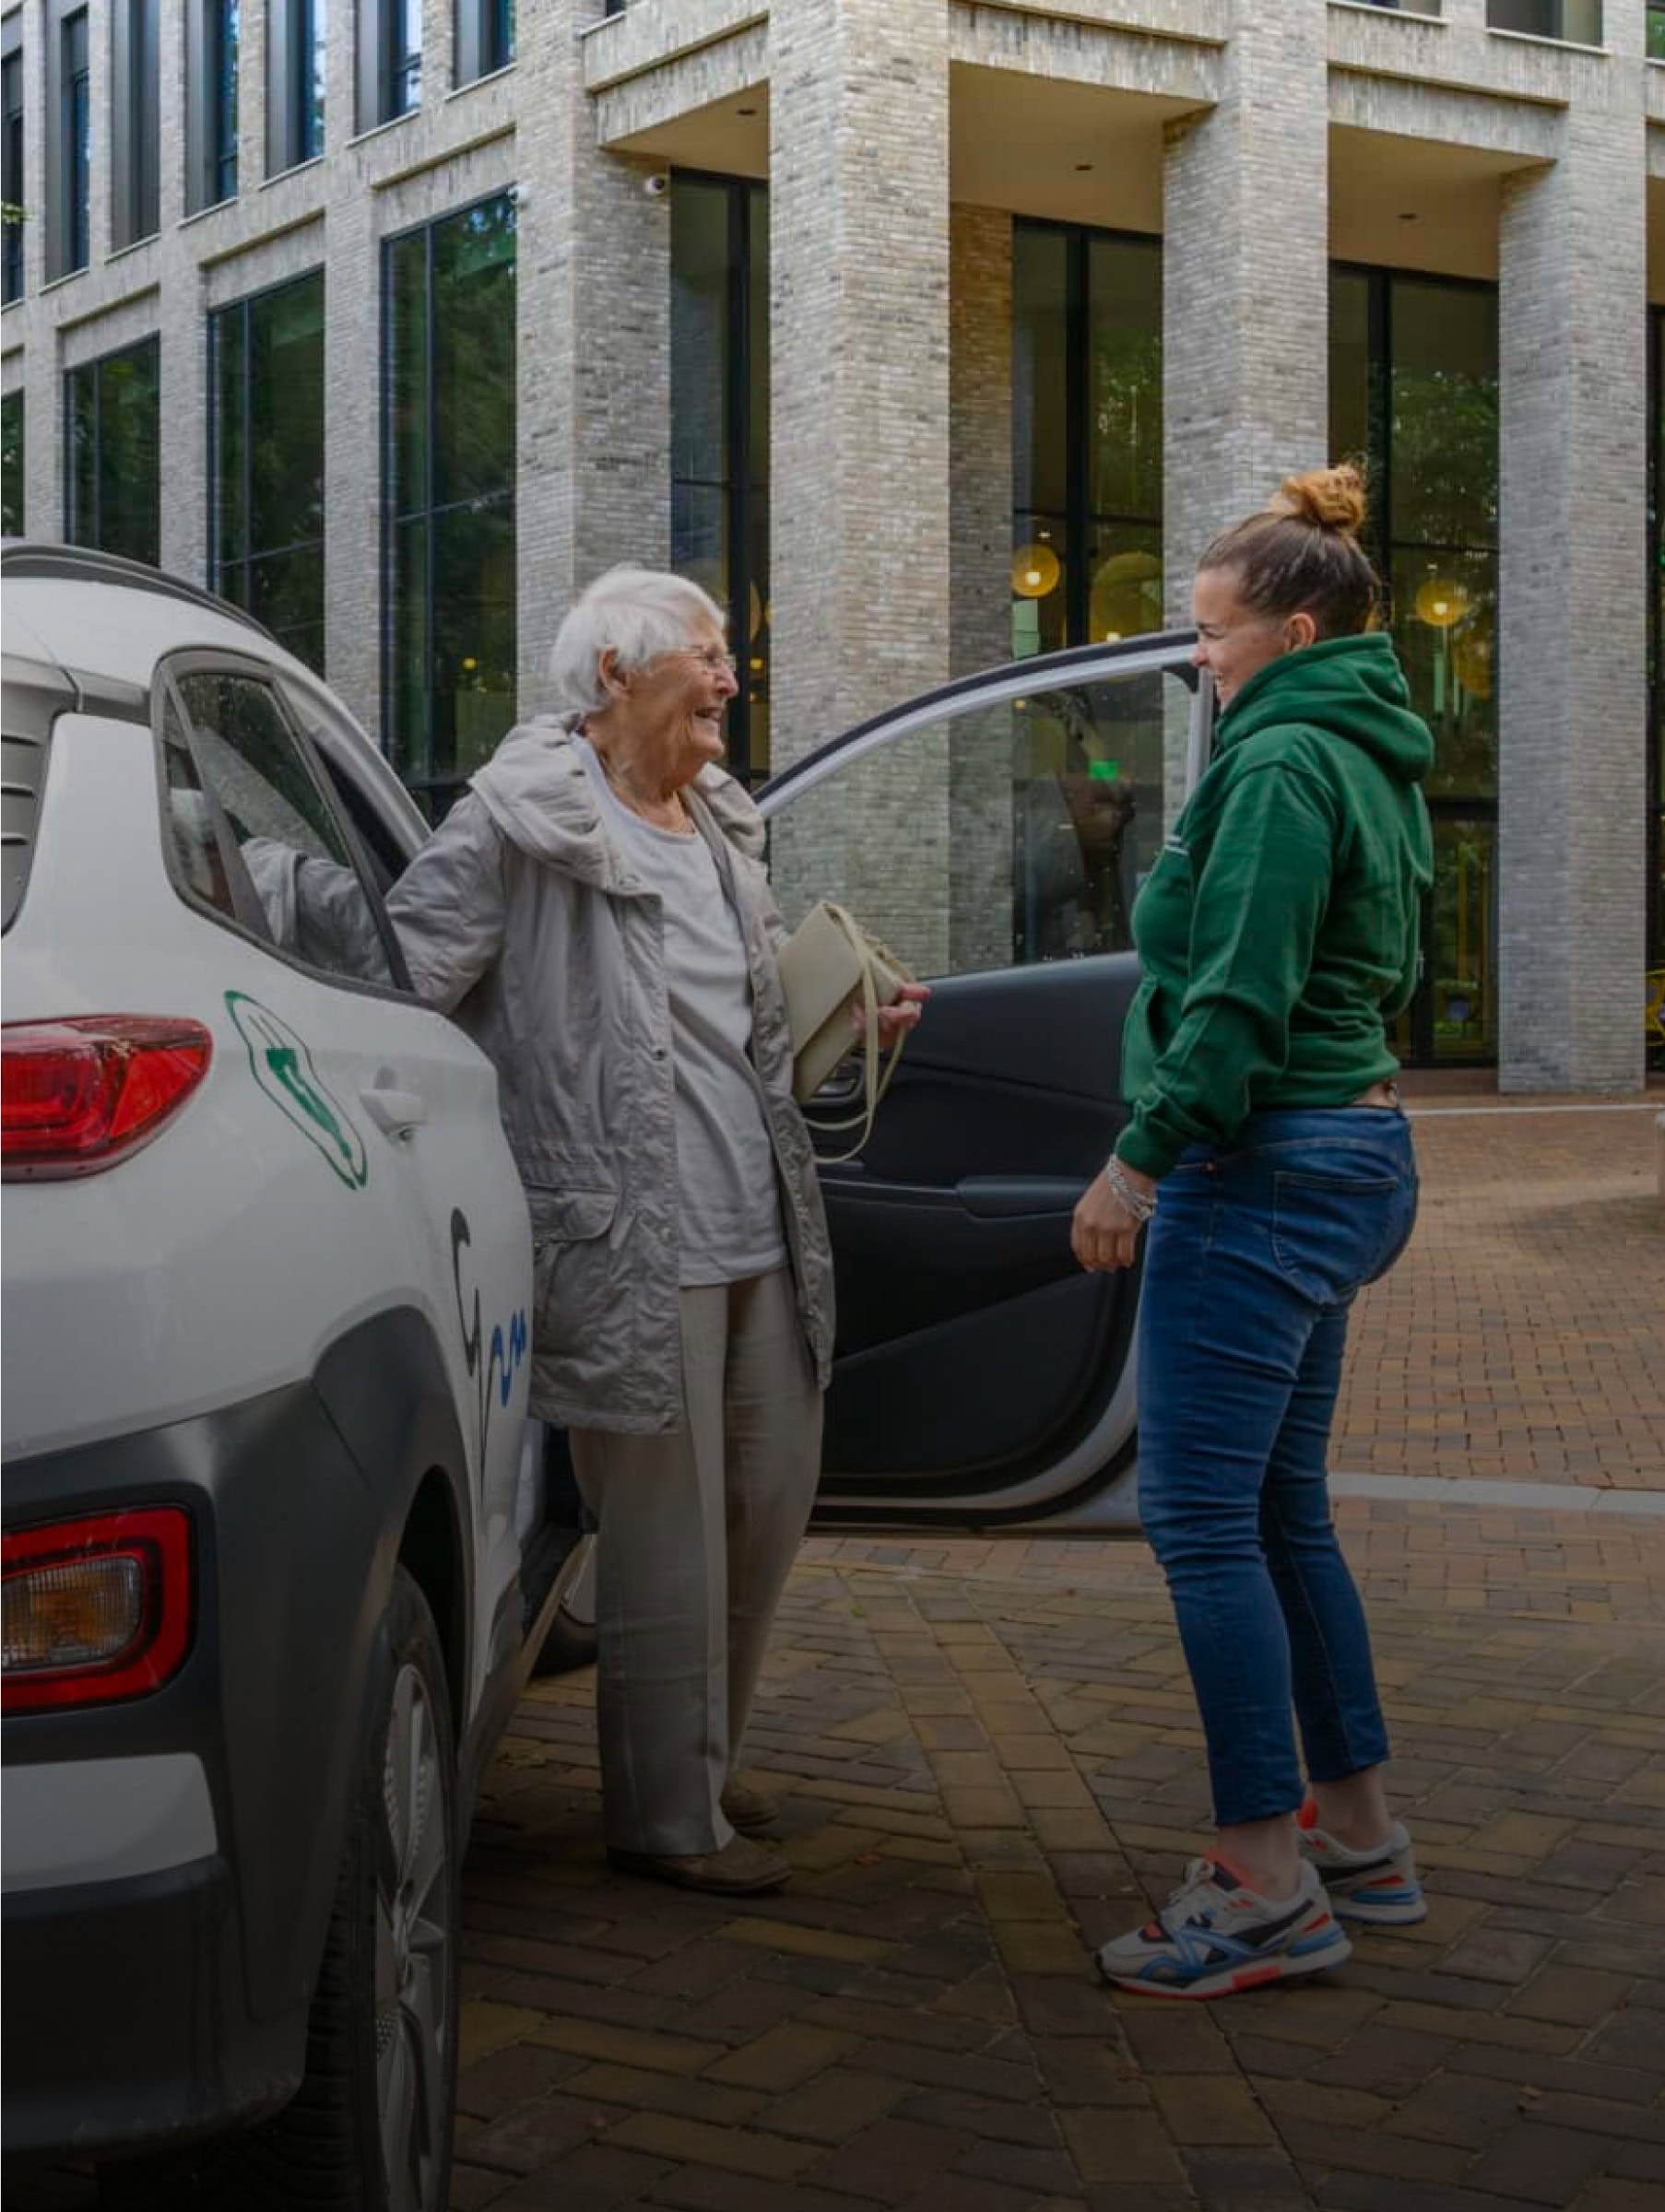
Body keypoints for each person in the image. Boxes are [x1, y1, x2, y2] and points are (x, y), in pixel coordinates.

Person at [387, 567, 924, 1897]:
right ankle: (665, 1816)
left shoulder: (717, 820)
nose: (732, 677)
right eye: (707, 654)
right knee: (664, 1538)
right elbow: (401, 986)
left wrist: (843, 1017)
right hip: (624, 1232)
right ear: (618, 674)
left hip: (760, 1217)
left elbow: (731, 1022)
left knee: (766, 1498)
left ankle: (702, 1757)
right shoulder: (518, 822)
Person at [1072, 465, 1434, 1999]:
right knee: (1284, 1511)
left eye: (1211, 631)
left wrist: (1135, 1163)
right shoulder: (1365, 745)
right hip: (1347, 1145)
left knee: (1203, 1518)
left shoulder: (1280, 762)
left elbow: (1236, 996)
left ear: (1292, 633)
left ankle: (1261, 1883)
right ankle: (1356, 1834)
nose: (1196, 655)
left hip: (1263, 1160)